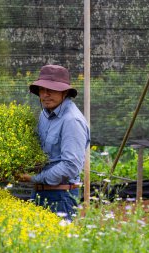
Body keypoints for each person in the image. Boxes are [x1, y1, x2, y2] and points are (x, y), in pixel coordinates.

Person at [18, 64, 90, 220]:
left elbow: (70, 166)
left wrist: (33, 178)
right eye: (42, 90)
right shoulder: (45, 114)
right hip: (40, 192)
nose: (45, 94)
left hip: (61, 196)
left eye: (51, 89)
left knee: (58, 243)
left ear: (64, 92)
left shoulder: (72, 120)